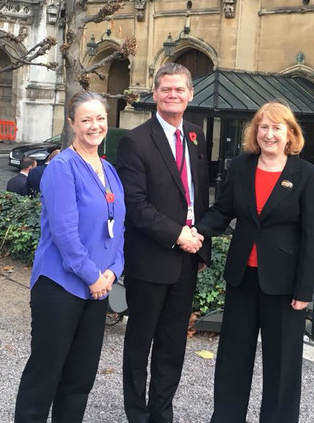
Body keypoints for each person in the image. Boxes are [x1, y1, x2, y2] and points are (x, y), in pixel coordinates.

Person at [195, 102, 314, 423]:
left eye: (277, 128)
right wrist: (195, 233)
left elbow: (313, 237)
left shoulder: (305, 175)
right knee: (232, 359)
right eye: (263, 127)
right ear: (255, 132)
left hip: (284, 286)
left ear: (290, 133)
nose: (269, 134)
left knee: (282, 365)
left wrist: (304, 289)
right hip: (242, 279)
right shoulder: (240, 167)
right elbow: (222, 211)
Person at [13, 92, 126, 423]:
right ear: (72, 123)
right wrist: (94, 276)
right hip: (60, 286)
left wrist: (113, 272)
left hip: (98, 288)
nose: (95, 125)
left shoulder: (109, 170)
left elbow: (119, 228)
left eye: (100, 118)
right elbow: (64, 234)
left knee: (80, 379)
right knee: (45, 376)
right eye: (86, 119)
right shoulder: (61, 168)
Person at [116, 62, 210, 423]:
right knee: (140, 344)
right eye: (166, 89)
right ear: (154, 94)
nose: (173, 95)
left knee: (173, 345)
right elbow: (135, 206)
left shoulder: (197, 137)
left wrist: (201, 245)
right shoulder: (135, 141)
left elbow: (198, 196)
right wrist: (178, 235)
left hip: (187, 260)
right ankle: (137, 413)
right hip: (150, 260)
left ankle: (162, 412)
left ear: (190, 94)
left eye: (180, 89)